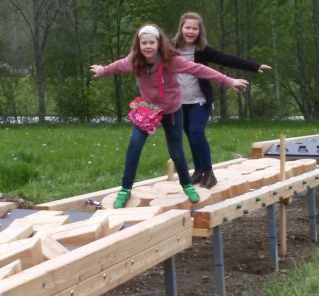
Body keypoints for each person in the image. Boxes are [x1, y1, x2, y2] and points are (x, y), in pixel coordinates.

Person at [90, 24, 249, 209]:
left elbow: (199, 69)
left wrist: (228, 80)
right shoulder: (134, 60)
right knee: (134, 146)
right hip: (148, 110)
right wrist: (102, 71)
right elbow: (117, 66)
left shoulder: (170, 60)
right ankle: (125, 189)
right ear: (138, 45)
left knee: (176, 152)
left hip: (172, 111)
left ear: (158, 43)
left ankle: (187, 184)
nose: (148, 46)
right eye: (144, 43)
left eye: (151, 42)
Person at [170, 12, 272, 188]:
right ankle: (199, 170)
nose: (191, 31)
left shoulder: (202, 50)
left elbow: (227, 59)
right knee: (190, 136)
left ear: (200, 31)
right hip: (178, 102)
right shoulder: (170, 49)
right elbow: (148, 56)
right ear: (181, 28)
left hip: (200, 100)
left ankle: (209, 172)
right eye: (187, 27)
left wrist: (254, 66)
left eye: (195, 28)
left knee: (196, 133)